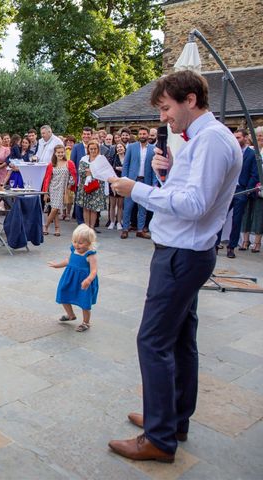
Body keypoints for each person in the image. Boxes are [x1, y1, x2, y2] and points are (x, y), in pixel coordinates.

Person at [107, 70, 242, 463]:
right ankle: (172, 418)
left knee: (153, 340)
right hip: (185, 250)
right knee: (181, 339)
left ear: (190, 100)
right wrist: (165, 177)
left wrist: (138, 189)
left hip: (182, 254)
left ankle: (160, 438)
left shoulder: (212, 141)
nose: (164, 117)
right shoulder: (204, 139)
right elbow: (190, 196)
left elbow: (195, 206)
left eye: (166, 108)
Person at [48, 224, 98, 333]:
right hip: (70, 277)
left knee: (84, 301)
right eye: (74, 241)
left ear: (89, 243)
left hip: (84, 281)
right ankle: (71, 315)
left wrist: (88, 280)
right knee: (63, 292)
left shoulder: (90, 255)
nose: (76, 245)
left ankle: (86, 322)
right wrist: (57, 265)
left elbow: (94, 270)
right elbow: (68, 261)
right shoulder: (73, 250)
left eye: (80, 243)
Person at [220, 128, 259, 258]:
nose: (236, 140)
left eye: (239, 138)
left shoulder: (252, 154)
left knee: (237, 220)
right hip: (228, 190)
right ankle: (214, 244)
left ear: (246, 138)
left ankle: (231, 247)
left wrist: (247, 191)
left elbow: (255, 174)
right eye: (235, 137)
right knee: (220, 217)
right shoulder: (231, 151)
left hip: (241, 190)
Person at [120, 126, 155, 239]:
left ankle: (140, 230)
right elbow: (126, 164)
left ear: (148, 135)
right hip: (131, 180)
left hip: (145, 181)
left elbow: (154, 167)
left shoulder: (153, 149)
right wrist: (124, 179)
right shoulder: (132, 147)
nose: (142, 136)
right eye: (140, 134)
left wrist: (154, 183)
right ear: (137, 135)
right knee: (128, 206)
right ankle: (125, 229)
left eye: (144, 134)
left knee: (142, 208)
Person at [41, 145, 76, 236]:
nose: (60, 154)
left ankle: (53, 227)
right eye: (58, 152)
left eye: (62, 152)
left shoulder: (69, 163)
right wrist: (46, 192)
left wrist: (69, 186)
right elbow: (47, 179)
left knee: (55, 208)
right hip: (53, 188)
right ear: (55, 153)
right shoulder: (51, 164)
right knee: (55, 208)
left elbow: (73, 176)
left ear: (64, 152)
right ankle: (48, 226)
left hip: (63, 189)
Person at [240, 126, 263, 253]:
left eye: (261, 135)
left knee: (259, 215)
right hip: (249, 186)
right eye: (258, 135)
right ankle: (245, 240)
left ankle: (257, 243)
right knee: (246, 214)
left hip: (261, 189)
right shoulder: (250, 150)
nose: (260, 137)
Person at [75, 141, 106, 231]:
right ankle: (86, 227)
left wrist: (91, 171)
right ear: (88, 149)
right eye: (91, 149)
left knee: (94, 208)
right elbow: (81, 172)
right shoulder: (84, 158)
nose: (93, 150)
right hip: (85, 186)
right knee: (86, 207)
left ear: (98, 149)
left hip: (97, 187)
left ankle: (92, 227)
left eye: (95, 149)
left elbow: (103, 172)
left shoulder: (101, 159)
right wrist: (92, 171)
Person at [108, 143, 126, 230]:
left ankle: (119, 222)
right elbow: (109, 169)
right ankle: (112, 222)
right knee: (112, 204)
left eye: (121, 147)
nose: (119, 148)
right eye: (117, 147)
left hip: (123, 182)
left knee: (120, 205)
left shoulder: (127, 157)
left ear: (124, 148)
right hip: (114, 182)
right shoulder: (113, 158)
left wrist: (123, 169)